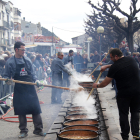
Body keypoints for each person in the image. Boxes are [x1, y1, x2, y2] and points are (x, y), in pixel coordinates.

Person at [93, 48, 140, 140]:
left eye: (111, 58)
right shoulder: (131, 59)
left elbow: (105, 83)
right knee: (135, 112)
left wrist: (97, 85)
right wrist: (107, 66)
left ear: (116, 56)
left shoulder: (115, 67)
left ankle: (125, 136)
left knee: (123, 114)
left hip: (124, 94)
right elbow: (120, 64)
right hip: (137, 92)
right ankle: (136, 134)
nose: (111, 60)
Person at [3, 42, 46, 138]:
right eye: (22, 49)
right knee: (21, 111)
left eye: (24, 49)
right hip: (19, 88)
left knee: (36, 109)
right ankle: (23, 131)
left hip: (30, 87)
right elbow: (6, 76)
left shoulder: (27, 60)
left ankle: (38, 130)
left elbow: (32, 73)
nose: (24, 51)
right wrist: (8, 81)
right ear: (16, 50)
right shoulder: (10, 62)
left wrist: (36, 80)